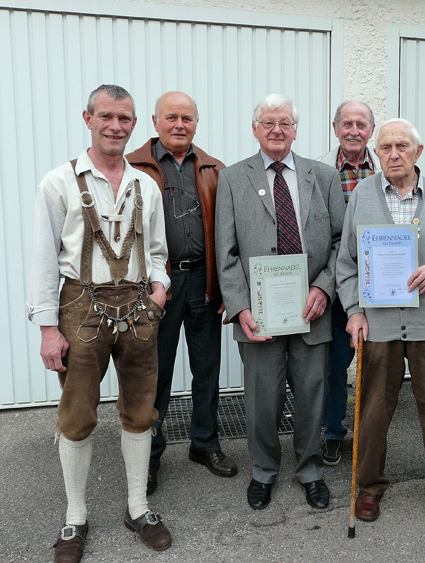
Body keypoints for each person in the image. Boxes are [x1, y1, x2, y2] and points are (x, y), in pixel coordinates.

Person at [28, 84, 172, 563]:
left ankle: (137, 507)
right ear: (87, 118)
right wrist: (48, 327)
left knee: (140, 409)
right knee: (77, 415)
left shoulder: (145, 185)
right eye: (106, 116)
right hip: (79, 310)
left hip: (138, 309)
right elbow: (43, 260)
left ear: (135, 124)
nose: (116, 126)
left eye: (125, 118)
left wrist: (159, 291)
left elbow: (156, 252)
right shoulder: (58, 183)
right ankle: (75, 517)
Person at [337, 118, 425, 526]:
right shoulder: (362, 196)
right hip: (377, 324)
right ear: (376, 154)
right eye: (385, 147)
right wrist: (354, 311)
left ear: (418, 151)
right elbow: (345, 263)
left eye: (401, 146)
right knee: (373, 410)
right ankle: (369, 486)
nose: (393, 154)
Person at [215, 94, 345, 510]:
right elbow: (226, 253)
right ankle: (263, 472)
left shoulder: (322, 176)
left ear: (296, 129)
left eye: (285, 123)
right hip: (260, 316)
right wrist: (240, 307)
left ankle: (310, 470)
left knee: (312, 397)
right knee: (261, 400)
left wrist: (324, 288)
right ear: (255, 129)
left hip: (312, 310)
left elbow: (343, 243)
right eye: (268, 122)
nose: (277, 130)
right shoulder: (233, 178)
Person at [126, 91, 236, 496]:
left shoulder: (214, 169)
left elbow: (229, 234)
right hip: (160, 286)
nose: (179, 124)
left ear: (196, 122)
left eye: (186, 118)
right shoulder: (134, 167)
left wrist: (228, 287)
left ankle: (204, 444)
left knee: (207, 368)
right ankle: (150, 456)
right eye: (170, 117)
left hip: (204, 281)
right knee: (157, 372)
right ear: (154, 122)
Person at [316, 100, 381, 465]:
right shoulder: (320, 170)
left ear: (370, 130)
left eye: (361, 124)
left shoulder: (387, 167)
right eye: (347, 123)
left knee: (376, 363)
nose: (353, 130)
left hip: (380, 283)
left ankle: (371, 434)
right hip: (338, 282)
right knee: (335, 364)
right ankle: (333, 433)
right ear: (335, 127)